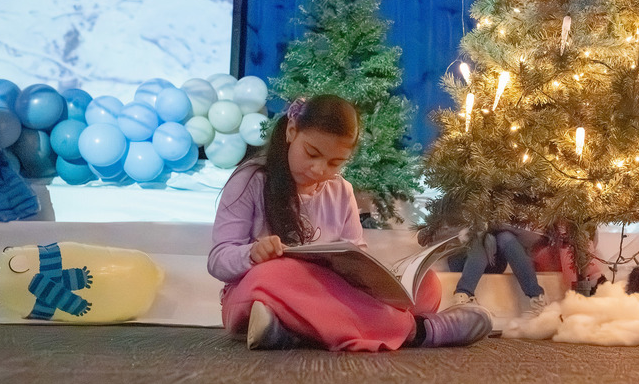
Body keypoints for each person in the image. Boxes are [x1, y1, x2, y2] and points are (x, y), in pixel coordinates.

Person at [207, 94, 492, 351]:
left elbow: (356, 254)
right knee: (276, 275)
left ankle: (293, 330)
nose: (319, 170)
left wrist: (374, 277)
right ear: (292, 132)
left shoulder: (341, 190)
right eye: (312, 153)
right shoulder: (251, 180)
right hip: (258, 294)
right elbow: (218, 260)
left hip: (323, 294)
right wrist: (252, 255)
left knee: (427, 285)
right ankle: (420, 331)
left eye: (335, 163)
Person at [448, 228, 549, 316]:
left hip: (494, 260)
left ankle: (537, 299)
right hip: (463, 258)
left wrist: (494, 226)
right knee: (480, 237)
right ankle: (462, 296)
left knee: (506, 237)